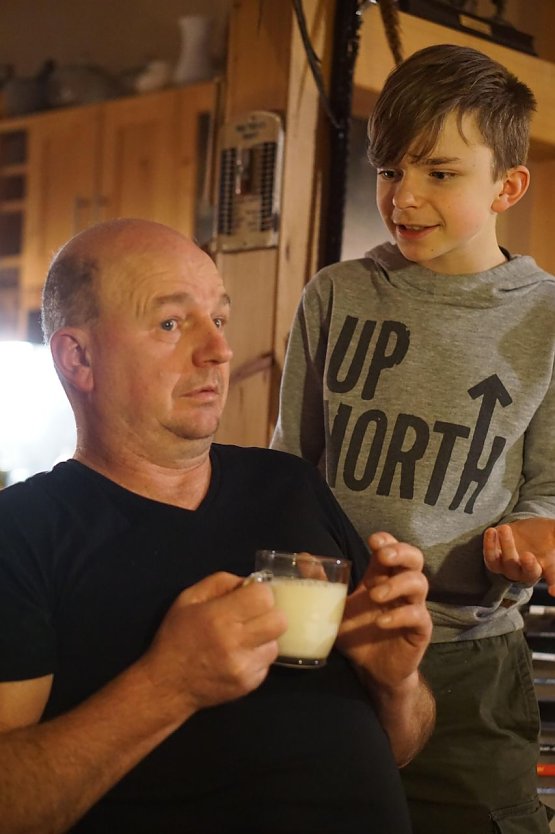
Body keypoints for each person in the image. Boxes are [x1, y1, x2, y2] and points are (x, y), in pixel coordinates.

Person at [0, 217, 434, 834]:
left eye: (220, 319)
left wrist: (395, 683)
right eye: (172, 324)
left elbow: (399, 747)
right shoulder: (21, 534)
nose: (219, 350)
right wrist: (168, 685)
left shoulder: (291, 485)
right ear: (79, 357)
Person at [271, 43, 555, 833]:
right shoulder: (335, 295)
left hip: (467, 657)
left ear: (507, 185)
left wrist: (531, 536)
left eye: (439, 172)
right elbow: (291, 463)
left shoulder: (546, 319)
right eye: (390, 170)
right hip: (330, 638)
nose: (405, 196)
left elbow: (547, 491)